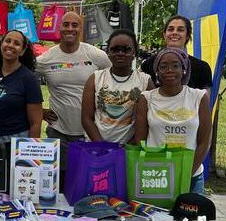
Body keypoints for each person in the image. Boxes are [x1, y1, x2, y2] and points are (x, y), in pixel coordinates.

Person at [35, 10, 111, 164]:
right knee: (60, 179)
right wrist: (39, 111)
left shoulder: (96, 55)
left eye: (75, 25)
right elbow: (24, 83)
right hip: (58, 131)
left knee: (85, 179)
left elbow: (115, 76)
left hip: (90, 131)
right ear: (60, 28)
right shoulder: (45, 59)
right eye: (66, 24)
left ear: (81, 29)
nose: (70, 28)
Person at [134, 47, 211, 194]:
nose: (169, 70)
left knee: (191, 217)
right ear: (157, 71)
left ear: (184, 69)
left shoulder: (199, 97)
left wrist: (186, 174)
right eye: (163, 66)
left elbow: (204, 142)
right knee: (155, 217)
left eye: (175, 65)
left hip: (191, 176)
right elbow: (140, 141)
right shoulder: (146, 98)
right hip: (156, 176)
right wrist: (153, 171)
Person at [82, 29, 153, 144]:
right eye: (115, 49)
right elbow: (86, 118)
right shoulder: (95, 79)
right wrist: (102, 146)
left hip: (129, 149)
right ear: (108, 52)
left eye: (126, 49)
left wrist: (128, 147)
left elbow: (149, 121)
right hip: (96, 148)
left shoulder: (145, 81)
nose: (120, 53)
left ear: (134, 53)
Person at [0, 30, 43, 143]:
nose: (10, 45)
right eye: (7, 41)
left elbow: (36, 122)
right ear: (1, 44)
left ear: (23, 51)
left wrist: (31, 151)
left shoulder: (29, 79)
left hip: (17, 139)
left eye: (16, 43)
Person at [141, 14, 212, 92]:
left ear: (187, 35)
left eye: (180, 30)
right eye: (170, 29)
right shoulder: (149, 63)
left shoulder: (202, 68)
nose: (174, 32)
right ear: (164, 35)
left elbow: (205, 101)